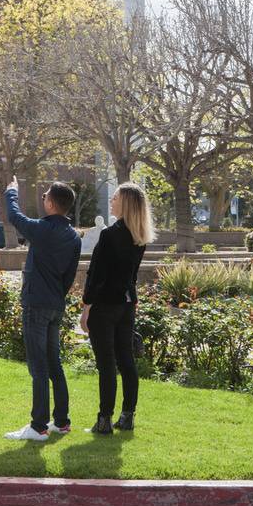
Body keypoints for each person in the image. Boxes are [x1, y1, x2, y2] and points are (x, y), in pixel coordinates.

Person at [3, 176, 82, 441]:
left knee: (39, 367)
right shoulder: (73, 236)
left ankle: (38, 426)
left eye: (45, 195)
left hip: (36, 305)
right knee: (54, 364)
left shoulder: (42, 229)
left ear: (51, 203)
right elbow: (69, 276)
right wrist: (57, 297)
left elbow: (15, 216)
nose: (43, 198)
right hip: (54, 306)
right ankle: (61, 421)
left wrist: (12, 192)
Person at [80, 182, 155, 435]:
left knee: (107, 364)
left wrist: (86, 307)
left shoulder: (110, 235)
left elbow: (97, 276)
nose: (111, 201)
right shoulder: (139, 237)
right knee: (126, 361)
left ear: (125, 203)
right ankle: (127, 416)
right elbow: (130, 276)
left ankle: (104, 420)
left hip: (105, 306)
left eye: (115, 198)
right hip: (126, 305)